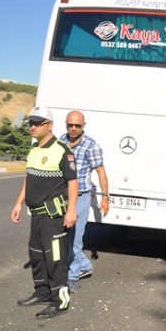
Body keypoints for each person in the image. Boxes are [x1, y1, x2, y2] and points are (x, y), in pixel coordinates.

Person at [11, 106, 78, 319]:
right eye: (30, 122)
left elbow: (73, 183)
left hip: (53, 217)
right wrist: (18, 203)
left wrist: (71, 211)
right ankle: (42, 292)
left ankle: (60, 301)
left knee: (55, 260)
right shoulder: (34, 150)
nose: (32, 127)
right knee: (37, 256)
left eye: (37, 123)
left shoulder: (62, 151)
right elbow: (29, 178)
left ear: (49, 125)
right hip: (36, 215)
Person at [60, 110, 109, 293]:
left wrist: (105, 197)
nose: (73, 129)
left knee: (74, 239)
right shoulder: (60, 142)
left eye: (77, 125)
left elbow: (101, 172)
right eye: (70, 125)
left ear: (83, 126)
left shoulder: (91, 146)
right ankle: (85, 265)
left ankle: (72, 277)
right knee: (63, 238)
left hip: (81, 197)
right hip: (62, 197)